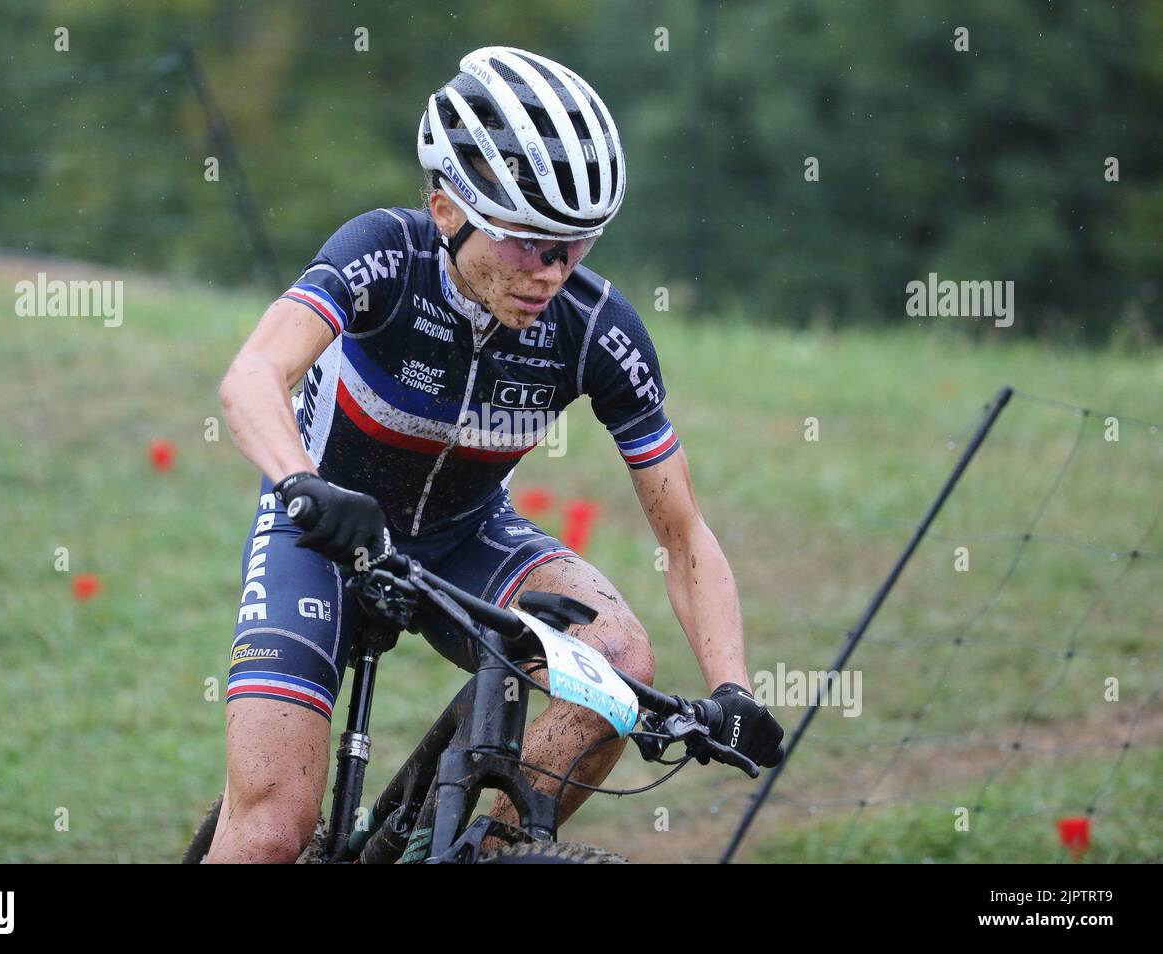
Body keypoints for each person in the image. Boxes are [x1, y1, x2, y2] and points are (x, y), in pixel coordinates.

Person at [206, 45, 782, 862]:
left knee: (618, 664)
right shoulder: (385, 256)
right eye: (524, 241)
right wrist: (301, 484)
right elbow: (253, 374)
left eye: (574, 244)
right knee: (271, 829)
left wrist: (732, 689)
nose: (550, 272)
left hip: (465, 537)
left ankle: (478, 851)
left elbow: (683, 533)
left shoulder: (595, 329)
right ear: (447, 211)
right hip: (324, 532)